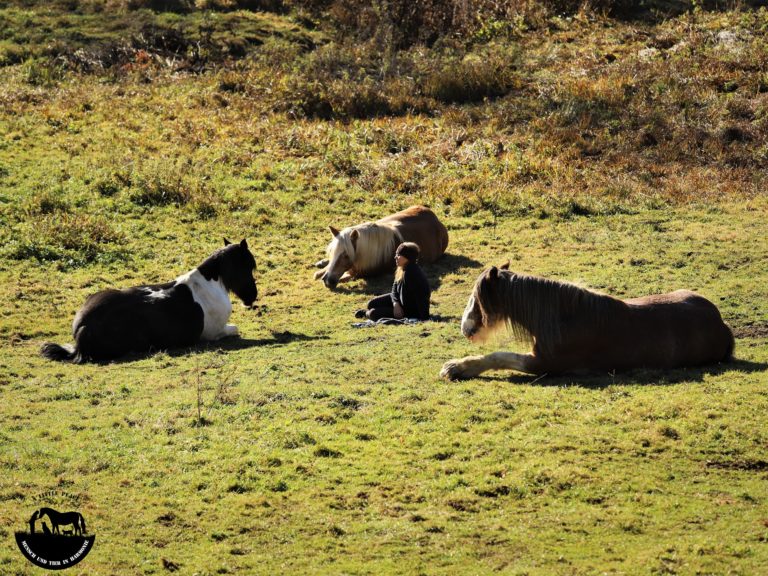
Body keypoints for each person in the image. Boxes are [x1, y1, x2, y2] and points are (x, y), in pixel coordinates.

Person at [355, 242, 431, 321]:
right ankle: (373, 311)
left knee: (373, 313)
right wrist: (396, 304)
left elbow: (422, 297)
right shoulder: (402, 269)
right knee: (371, 303)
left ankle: (366, 313)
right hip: (400, 303)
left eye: (398, 255)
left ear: (407, 257)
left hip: (408, 311)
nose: (395, 257)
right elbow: (395, 288)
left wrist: (423, 317)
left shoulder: (412, 273)